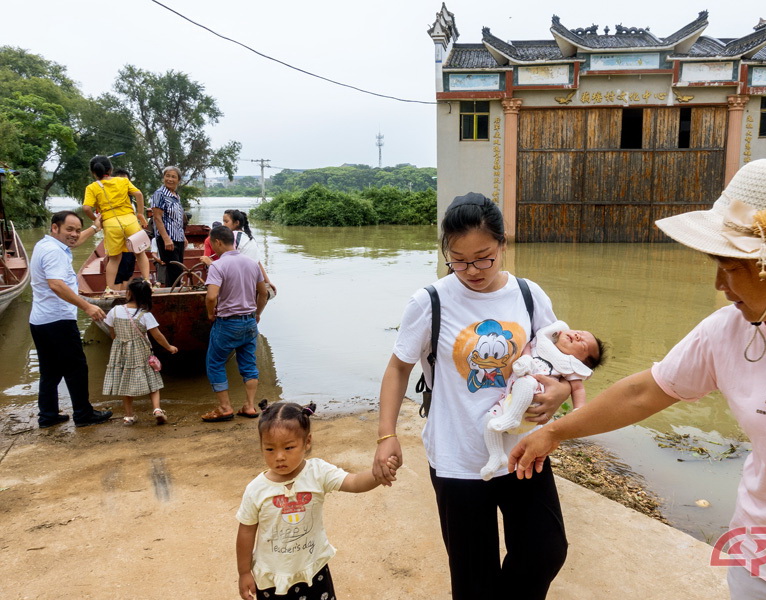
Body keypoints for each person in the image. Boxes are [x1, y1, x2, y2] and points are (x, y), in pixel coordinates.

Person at [508, 159, 766, 600]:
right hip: (761, 570)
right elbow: (645, 392)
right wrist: (554, 433)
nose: (720, 284)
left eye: (731, 267)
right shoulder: (730, 330)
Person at [372, 192, 572, 600]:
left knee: (545, 550)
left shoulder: (529, 295)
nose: (472, 271)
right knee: (472, 576)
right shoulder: (430, 301)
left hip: (523, 450)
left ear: (503, 244)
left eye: (484, 257)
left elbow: (561, 360)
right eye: (459, 260)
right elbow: (398, 368)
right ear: (446, 252)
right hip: (457, 458)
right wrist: (385, 434)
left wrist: (561, 392)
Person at [236, 401, 399, 600]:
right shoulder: (256, 489)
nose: (279, 457)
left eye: (289, 447)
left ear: (307, 442)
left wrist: (379, 474)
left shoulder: (317, 472)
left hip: (313, 571)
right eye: (270, 449)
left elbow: (354, 482)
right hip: (273, 578)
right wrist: (244, 572)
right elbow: (246, 531)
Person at [480, 320, 605, 480]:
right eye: (579, 332)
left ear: (581, 361)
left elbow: (578, 388)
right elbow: (527, 345)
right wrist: (525, 358)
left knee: (526, 382)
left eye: (583, 344)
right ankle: (496, 456)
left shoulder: (569, 365)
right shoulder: (542, 343)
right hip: (510, 401)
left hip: (534, 404)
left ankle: (513, 417)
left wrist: (578, 411)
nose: (577, 336)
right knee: (490, 419)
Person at [29, 210, 113, 428]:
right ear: (54, 228)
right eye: (70, 229)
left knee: (50, 371)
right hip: (58, 320)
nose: (75, 234)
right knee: (76, 367)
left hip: (40, 320)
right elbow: (56, 284)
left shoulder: (45, 245)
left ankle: (47, 416)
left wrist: (95, 227)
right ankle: (83, 414)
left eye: (77, 230)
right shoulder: (55, 252)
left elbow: (74, 242)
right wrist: (87, 306)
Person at [201, 225, 269, 422]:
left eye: (212, 244)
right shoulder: (251, 263)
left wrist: (210, 313)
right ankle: (249, 406)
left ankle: (225, 408)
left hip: (227, 323)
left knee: (215, 363)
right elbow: (263, 293)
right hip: (249, 322)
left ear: (218, 242)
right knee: (249, 365)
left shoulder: (217, 266)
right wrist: (257, 314)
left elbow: (211, 296)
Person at [102, 278, 178, 425]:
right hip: (141, 350)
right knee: (152, 378)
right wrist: (169, 347)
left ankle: (129, 416)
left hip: (120, 350)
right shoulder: (145, 315)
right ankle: (157, 409)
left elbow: (112, 331)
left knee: (125, 382)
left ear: (129, 292)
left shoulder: (115, 310)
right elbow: (157, 336)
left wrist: (119, 343)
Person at [82, 155, 150, 292]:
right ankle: (147, 281)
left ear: (93, 172)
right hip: (130, 221)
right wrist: (140, 214)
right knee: (140, 253)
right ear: (111, 169)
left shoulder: (92, 187)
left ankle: (110, 289)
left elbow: (86, 208)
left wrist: (96, 221)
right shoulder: (122, 181)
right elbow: (139, 194)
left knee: (114, 259)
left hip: (111, 223)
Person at [219, 209, 276, 293]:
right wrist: (268, 282)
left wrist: (210, 263)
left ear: (236, 223)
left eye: (226, 222)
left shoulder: (233, 236)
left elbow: (226, 261)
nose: (223, 225)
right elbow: (258, 262)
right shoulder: (250, 238)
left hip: (240, 280)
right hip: (253, 279)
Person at [150, 166, 186, 287]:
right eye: (167, 176)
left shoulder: (175, 195)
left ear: (178, 180)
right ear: (163, 177)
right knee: (173, 271)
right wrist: (166, 238)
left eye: (173, 177)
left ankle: (174, 297)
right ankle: (172, 299)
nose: (170, 179)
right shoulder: (159, 194)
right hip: (167, 238)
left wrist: (183, 237)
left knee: (178, 270)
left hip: (178, 238)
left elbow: (177, 219)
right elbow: (157, 218)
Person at [111, 168, 137, 290]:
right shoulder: (110, 201)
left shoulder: (131, 202)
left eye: (127, 181)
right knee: (118, 273)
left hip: (130, 245)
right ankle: (116, 299)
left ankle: (126, 299)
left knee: (128, 272)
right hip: (117, 245)